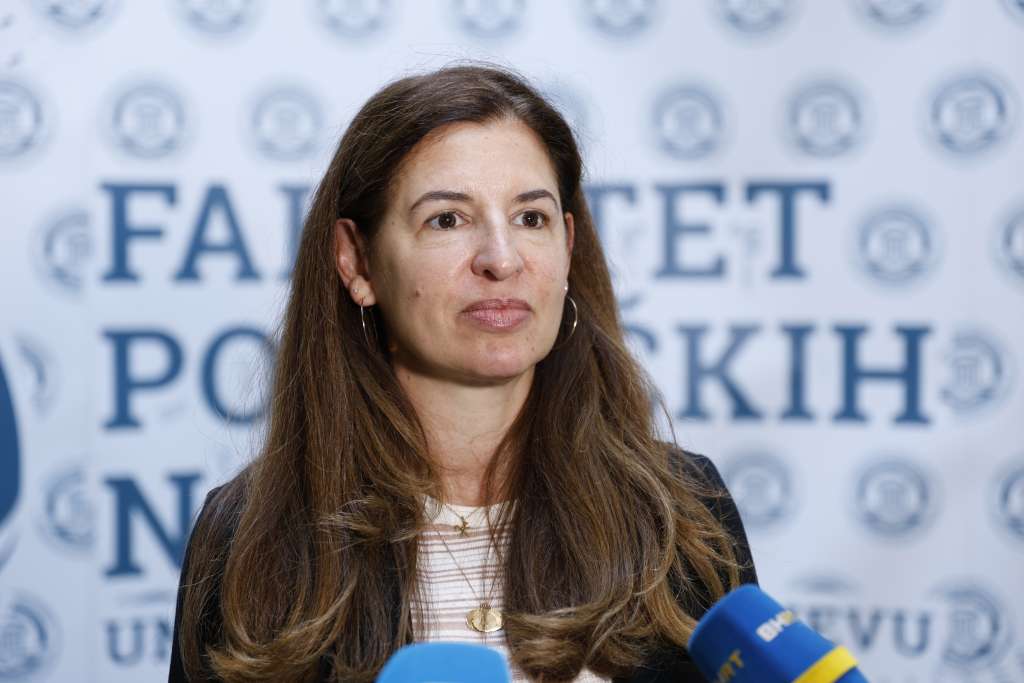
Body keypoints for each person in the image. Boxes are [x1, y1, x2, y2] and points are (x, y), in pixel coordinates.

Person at [168, 62, 757, 683]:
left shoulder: (681, 514)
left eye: (531, 218)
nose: (501, 260)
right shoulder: (250, 538)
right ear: (357, 261)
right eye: (447, 219)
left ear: (568, 246)